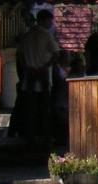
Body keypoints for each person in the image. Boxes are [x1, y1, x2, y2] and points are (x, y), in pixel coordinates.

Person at [14, 8, 62, 143]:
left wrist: (26, 68)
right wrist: (44, 67)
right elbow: (56, 54)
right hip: (43, 74)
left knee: (30, 107)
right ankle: (44, 135)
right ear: (43, 20)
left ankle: (30, 135)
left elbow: (20, 55)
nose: (51, 23)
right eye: (50, 20)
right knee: (45, 107)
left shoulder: (27, 35)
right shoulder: (46, 35)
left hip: (29, 73)